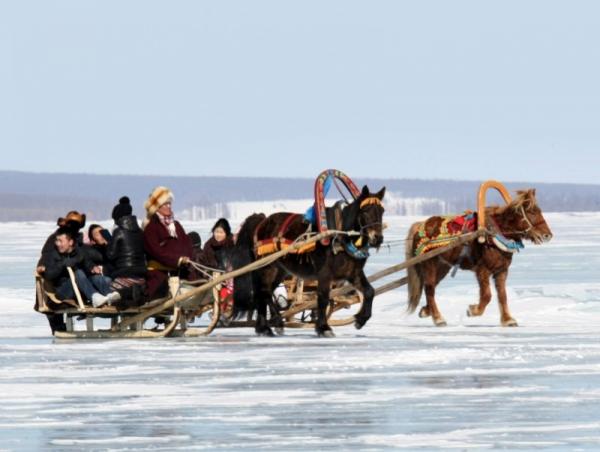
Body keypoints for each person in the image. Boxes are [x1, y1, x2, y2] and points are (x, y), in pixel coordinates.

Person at [37, 226, 121, 308]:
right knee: (78, 272)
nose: (57, 244)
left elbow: (87, 263)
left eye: (60, 241)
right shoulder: (53, 255)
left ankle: (111, 296)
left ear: (70, 242)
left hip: (80, 288)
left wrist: (92, 267)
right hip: (63, 291)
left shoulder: (79, 252)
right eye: (57, 241)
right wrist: (63, 264)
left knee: (100, 279)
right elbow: (49, 275)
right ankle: (94, 297)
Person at [36, 211, 87, 334]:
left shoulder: (77, 238)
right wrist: (45, 267)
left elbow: (82, 255)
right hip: (54, 280)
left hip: (70, 278)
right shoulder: (57, 238)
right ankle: (58, 327)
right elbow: (47, 256)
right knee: (54, 309)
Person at [142, 187, 194, 299]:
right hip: (159, 275)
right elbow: (156, 251)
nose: (169, 207)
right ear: (157, 207)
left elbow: (186, 243)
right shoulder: (151, 228)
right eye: (165, 204)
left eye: (169, 204)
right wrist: (177, 260)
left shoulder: (176, 225)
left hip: (179, 272)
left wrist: (187, 257)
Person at [105, 196, 147, 304]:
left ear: (117, 218)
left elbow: (110, 255)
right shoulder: (140, 231)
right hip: (141, 272)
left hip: (123, 272)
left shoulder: (118, 231)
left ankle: (128, 293)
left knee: (107, 286)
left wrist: (107, 243)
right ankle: (134, 292)